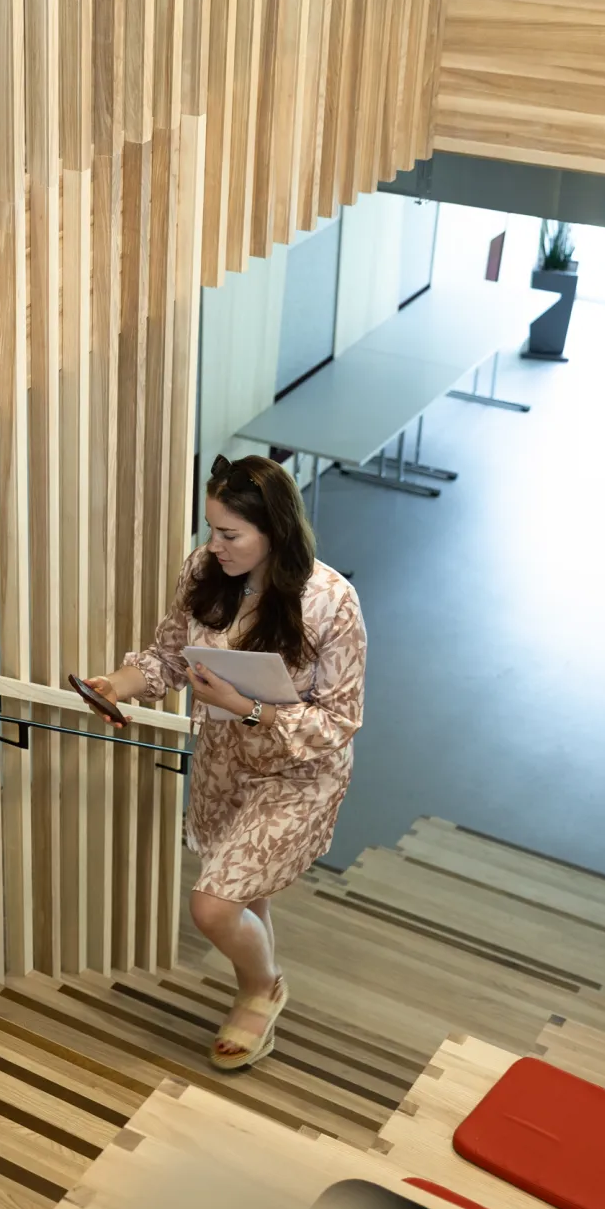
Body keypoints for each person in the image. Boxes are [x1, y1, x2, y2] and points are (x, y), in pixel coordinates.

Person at [83, 454, 367, 1071]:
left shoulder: (331, 603)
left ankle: (261, 988)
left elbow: (339, 721)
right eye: (211, 529)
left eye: (230, 534)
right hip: (223, 767)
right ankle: (257, 981)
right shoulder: (205, 570)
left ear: (274, 531)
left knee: (212, 905)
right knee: (242, 892)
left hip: (297, 777)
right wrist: (118, 684)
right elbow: (168, 657)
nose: (214, 546)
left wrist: (246, 709)